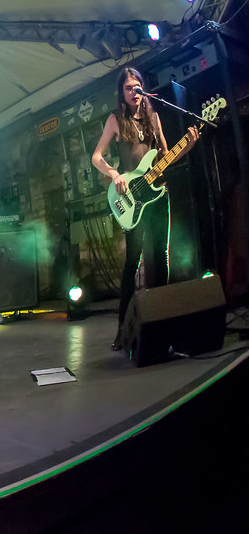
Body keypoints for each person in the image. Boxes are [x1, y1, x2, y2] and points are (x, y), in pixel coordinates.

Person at [91, 67, 198, 349]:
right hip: (132, 198)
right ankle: (122, 329)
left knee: (160, 255)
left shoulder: (154, 117)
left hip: (158, 194)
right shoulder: (115, 120)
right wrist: (114, 175)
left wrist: (186, 145)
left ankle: (161, 322)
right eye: (128, 88)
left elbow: (165, 156)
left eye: (136, 86)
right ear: (121, 92)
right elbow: (96, 157)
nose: (133, 92)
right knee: (132, 263)